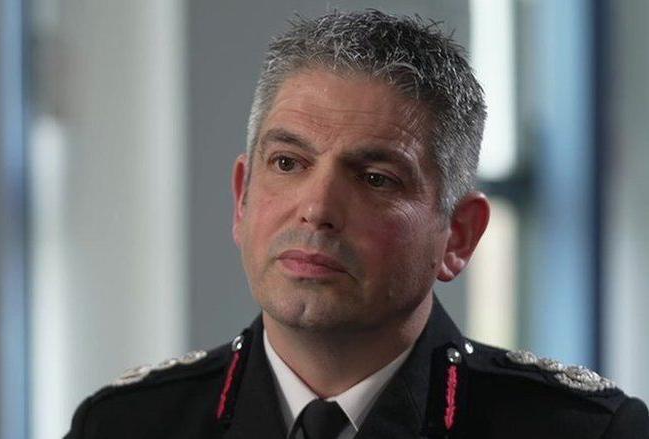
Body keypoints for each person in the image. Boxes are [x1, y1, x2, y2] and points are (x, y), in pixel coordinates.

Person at [65, 10, 649, 439]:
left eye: (375, 178)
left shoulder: (583, 433)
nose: (316, 208)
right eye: (288, 164)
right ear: (243, 199)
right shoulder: (123, 425)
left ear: (458, 236)